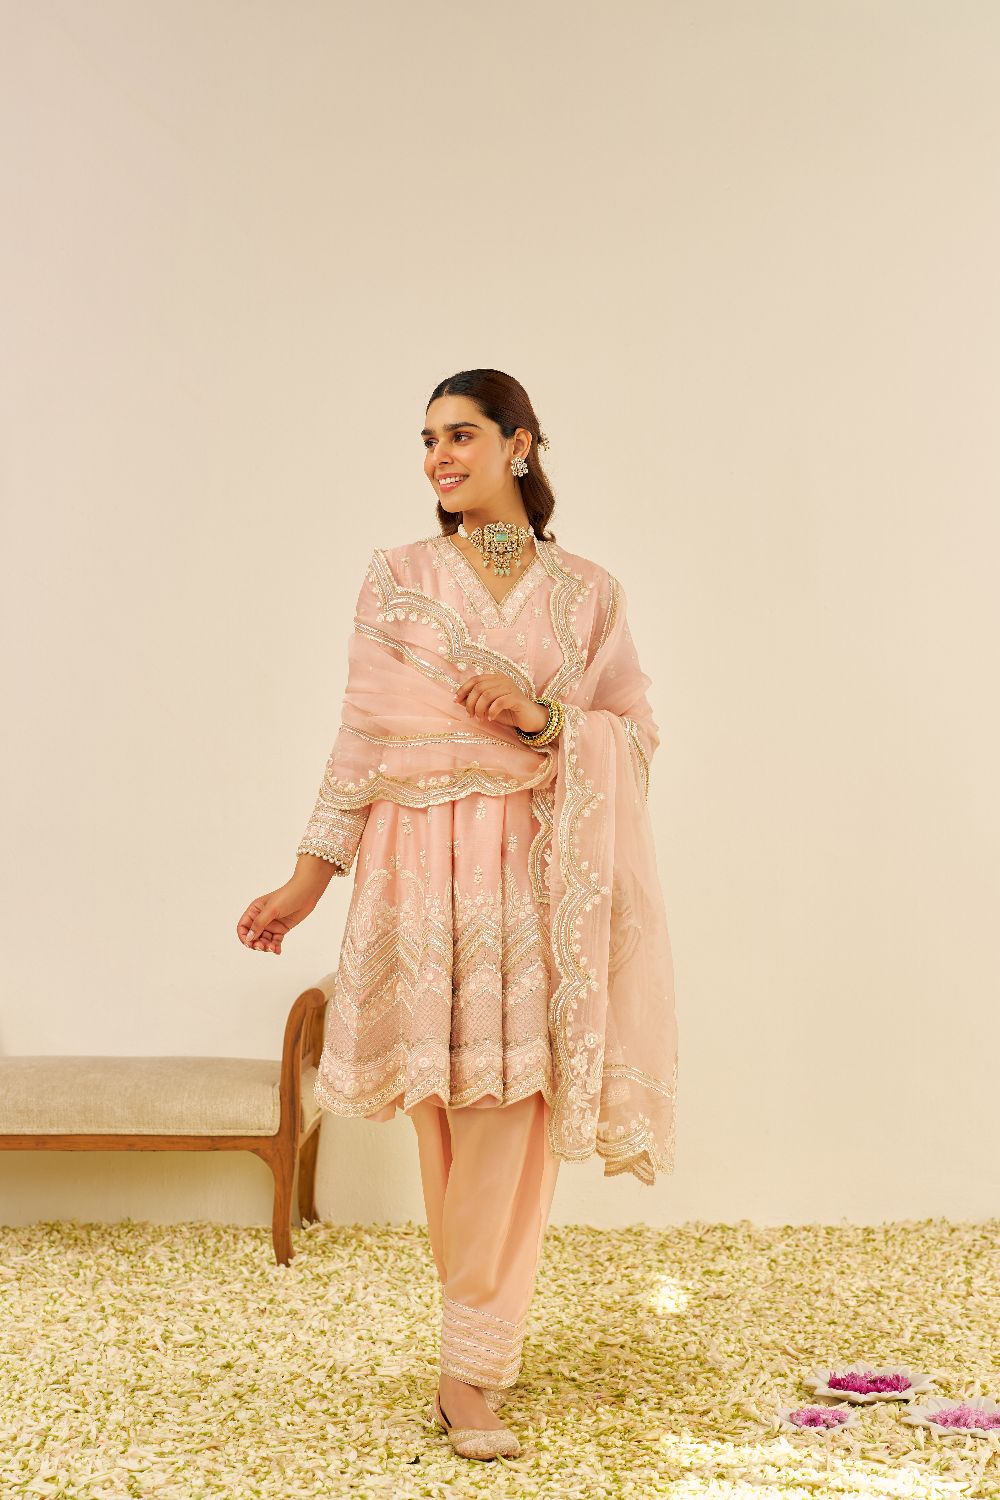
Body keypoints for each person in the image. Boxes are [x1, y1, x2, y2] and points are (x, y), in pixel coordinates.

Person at [236, 368, 678, 1462]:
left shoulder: (590, 593)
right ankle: (469, 1351)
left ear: (520, 444)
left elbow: (633, 735)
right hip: (416, 869)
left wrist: (543, 720)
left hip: (533, 870)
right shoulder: (396, 578)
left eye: (463, 434)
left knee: (512, 1111)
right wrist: (305, 881)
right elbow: (361, 738)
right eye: (429, 439)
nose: (439, 455)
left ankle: (466, 1369)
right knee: (447, 1112)